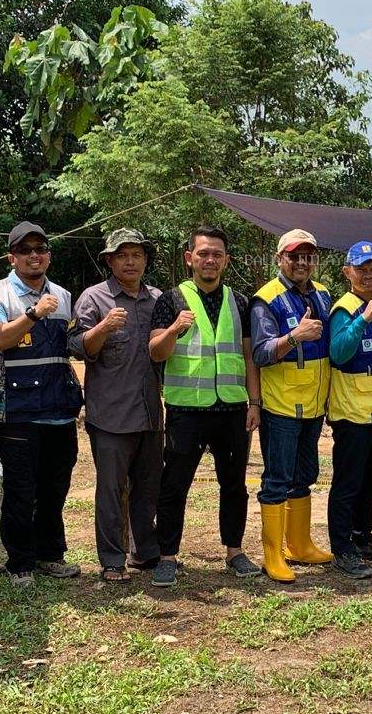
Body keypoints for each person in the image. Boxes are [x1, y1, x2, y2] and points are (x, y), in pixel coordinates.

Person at [149, 226, 263, 587]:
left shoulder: (239, 301)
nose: (209, 260)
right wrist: (173, 331)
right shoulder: (170, 300)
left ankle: (234, 551)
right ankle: (167, 556)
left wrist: (254, 402)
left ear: (226, 260)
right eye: (203, 253)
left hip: (231, 408)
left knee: (234, 485)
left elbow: (248, 355)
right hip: (187, 409)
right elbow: (156, 352)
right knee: (174, 485)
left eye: (216, 254)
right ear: (189, 259)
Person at [0, 222, 84, 587]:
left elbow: (70, 345)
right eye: (26, 250)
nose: (34, 255)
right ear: (13, 258)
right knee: (21, 490)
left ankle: (50, 555)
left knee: (55, 488)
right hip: (17, 412)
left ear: (48, 256)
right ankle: (20, 563)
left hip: (58, 409)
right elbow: (1, 339)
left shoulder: (65, 295)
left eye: (40, 249)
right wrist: (34, 313)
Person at [71, 228, 164, 583]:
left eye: (136, 255)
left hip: (150, 412)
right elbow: (80, 348)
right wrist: (104, 328)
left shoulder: (157, 299)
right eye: (122, 255)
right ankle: (112, 559)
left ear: (144, 260)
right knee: (111, 489)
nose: (130, 261)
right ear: (109, 260)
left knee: (148, 486)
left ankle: (145, 551)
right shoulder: (94, 299)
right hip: (110, 414)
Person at [250, 229, 335, 582]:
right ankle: (273, 554)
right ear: (280, 258)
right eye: (294, 256)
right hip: (281, 407)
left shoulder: (325, 296)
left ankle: (299, 544)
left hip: (314, 407)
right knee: (277, 479)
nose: (302, 262)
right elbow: (260, 353)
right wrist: (292, 337)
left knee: (305, 477)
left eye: (308, 256)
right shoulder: (266, 299)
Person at [326, 240, 372, 579]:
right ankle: (341, 548)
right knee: (348, 482)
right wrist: (362, 320)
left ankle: (361, 534)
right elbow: (338, 352)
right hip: (351, 411)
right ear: (347, 272)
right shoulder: (344, 308)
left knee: (369, 480)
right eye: (361, 268)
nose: (368, 274)